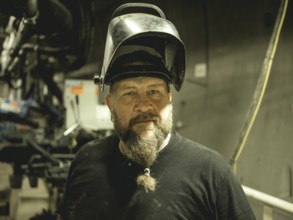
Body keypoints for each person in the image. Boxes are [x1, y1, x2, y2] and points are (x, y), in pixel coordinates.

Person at [58, 3, 256, 220]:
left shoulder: (211, 173)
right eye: (129, 93)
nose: (143, 105)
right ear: (110, 103)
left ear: (169, 99)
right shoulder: (86, 161)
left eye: (153, 91)